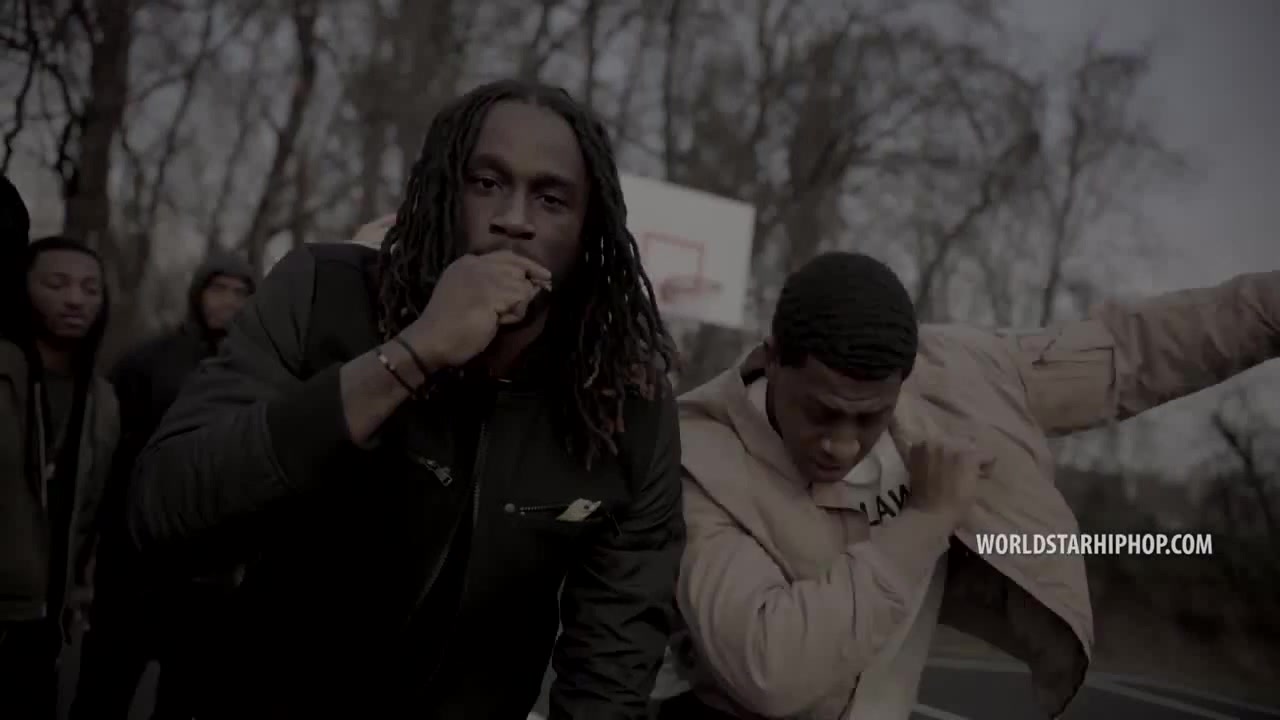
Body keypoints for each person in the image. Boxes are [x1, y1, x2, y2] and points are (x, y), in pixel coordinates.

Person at [127, 79, 684, 719]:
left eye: (551, 198)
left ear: (588, 231)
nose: (514, 218)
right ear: (443, 194)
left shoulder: (623, 400)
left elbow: (611, 666)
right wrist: (414, 353)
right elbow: (165, 504)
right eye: (486, 183)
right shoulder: (322, 295)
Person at [662, 251, 1279, 719]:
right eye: (821, 413)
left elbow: (1128, 352)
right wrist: (926, 520)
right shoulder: (701, 462)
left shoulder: (962, 378)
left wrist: (1269, 309)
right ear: (772, 359)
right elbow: (770, 668)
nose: (842, 445)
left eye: (869, 418)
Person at [72, 252, 255, 719]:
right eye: (219, 289)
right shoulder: (148, 362)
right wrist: (86, 555)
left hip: (210, 570)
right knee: (104, 689)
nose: (229, 301)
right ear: (198, 294)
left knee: (185, 698)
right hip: (134, 562)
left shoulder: (257, 372)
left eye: (241, 293)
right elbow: (106, 461)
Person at [1, 236, 117, 719]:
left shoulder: (102, 400)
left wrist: (77, 591)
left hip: (42, 619)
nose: (75, 299)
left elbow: (89, 510)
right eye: (56, 284)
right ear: (22, 288)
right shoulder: (5, 374)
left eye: (91, 289)